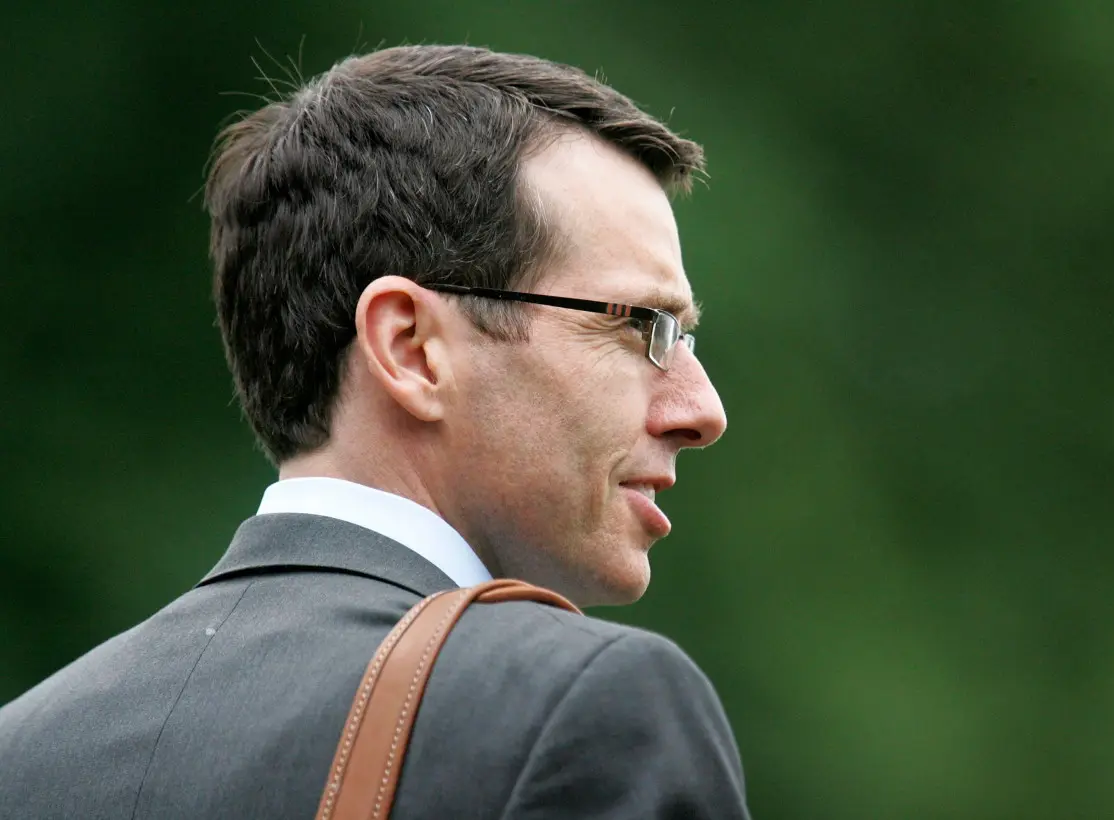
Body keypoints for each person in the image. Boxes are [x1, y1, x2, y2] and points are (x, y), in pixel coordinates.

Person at [0, 44, 748, 818]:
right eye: (640, 326)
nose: (702, 409)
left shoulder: (20, 752)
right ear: (411, 349)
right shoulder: (583, 709)